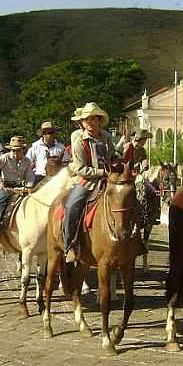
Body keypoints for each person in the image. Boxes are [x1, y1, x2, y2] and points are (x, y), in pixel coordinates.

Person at [63, 102, 117, 264]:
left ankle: (135, 241)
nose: (90, 123)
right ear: (82, 122)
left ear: (99, 120)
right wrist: (102, 173)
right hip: (87, 181)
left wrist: (117, 164)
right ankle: (70, 246)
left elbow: (112, 155)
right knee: (72, 206)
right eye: (87, 120)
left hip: (109, 179)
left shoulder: (106, 136)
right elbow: (80, 168)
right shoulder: (77, 137)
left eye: (94, 119)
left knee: (129, 198)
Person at [0, 136, 35, 247]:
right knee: (1, 202)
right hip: (7, 187)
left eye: (18, 150)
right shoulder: (5, 158)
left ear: (23, 150)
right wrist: (1, 182)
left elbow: (30, 175)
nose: (16, 152)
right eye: (13, 150)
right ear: (10, 150)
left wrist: (30, 186)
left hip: (21, 187)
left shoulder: (27, 161)